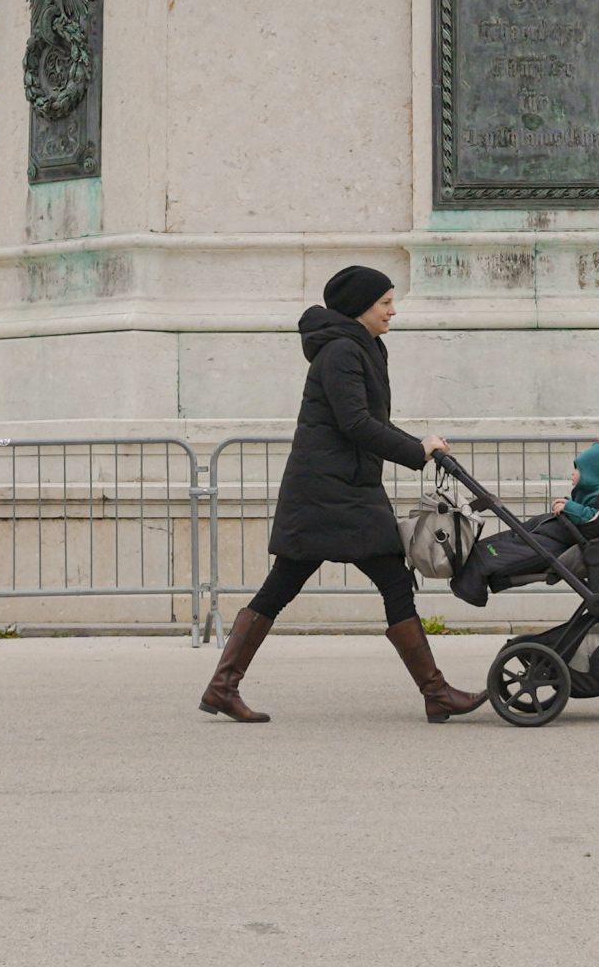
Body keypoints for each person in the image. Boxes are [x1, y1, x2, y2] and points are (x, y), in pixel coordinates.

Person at [201, 266, 485, 723]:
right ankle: (435, 693)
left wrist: (420, 445)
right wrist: (416, 451)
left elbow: (369, 420)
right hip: (329, 494)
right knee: (355, 581)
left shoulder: (365, 348)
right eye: (385, 303)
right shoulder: (340, 353)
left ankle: (222, 687)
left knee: (296, 585)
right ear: (360, 308)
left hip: (342, 490)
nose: (394, 310)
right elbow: (355, 424)